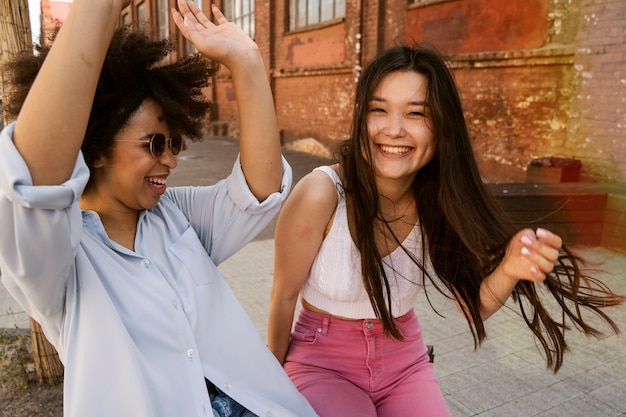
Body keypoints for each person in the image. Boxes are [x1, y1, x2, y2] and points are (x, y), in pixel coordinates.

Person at [267, 45, 625, 417]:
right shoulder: (321, 194)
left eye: (416, 114)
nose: (393, 129)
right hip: (321, 364)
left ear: (441, 125)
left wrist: (509, 270)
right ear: (361, 117)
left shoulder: (438, 200)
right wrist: (268, 389)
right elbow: (282, 297)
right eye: (379, 109)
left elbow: (473, 310)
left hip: (404, 362)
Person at [0, 1, 318, 416]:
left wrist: (247, 61)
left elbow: (258, 191)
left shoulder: (176, 214)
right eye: (154, 143)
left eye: (174, 144)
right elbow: (34, 182)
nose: (170, 160)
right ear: (95, 149)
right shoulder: (57, 264)